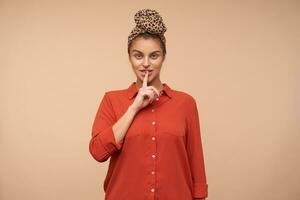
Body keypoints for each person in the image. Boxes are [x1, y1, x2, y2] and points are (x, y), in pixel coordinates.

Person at [89, 8, 208, 200]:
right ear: (129, 57)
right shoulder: (112, 100)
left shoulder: (185, 103)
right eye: (138, 55)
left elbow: (196, 162)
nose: (146, 63)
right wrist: (134, 107)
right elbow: (97, 152)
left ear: (163, 57)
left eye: (154, 55)